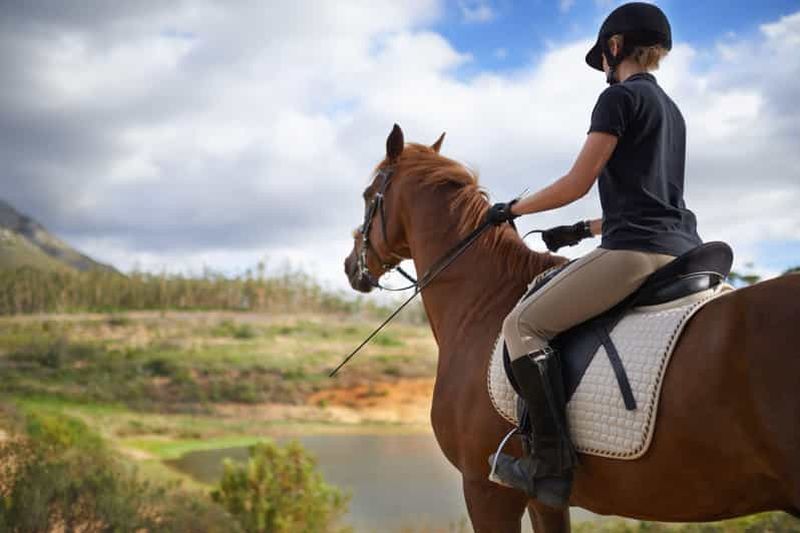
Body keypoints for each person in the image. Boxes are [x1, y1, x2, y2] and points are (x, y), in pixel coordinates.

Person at [484, 2, 703, 509]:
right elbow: (652, 202)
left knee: (523, 325)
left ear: (615, 46)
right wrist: (582, 229)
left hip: (635, 252)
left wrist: (511, 209)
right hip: (681, 250)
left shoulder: (618, 99)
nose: (604, 65)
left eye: (604, 55)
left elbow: (575, 182)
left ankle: (550, 467)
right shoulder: (672, 111)